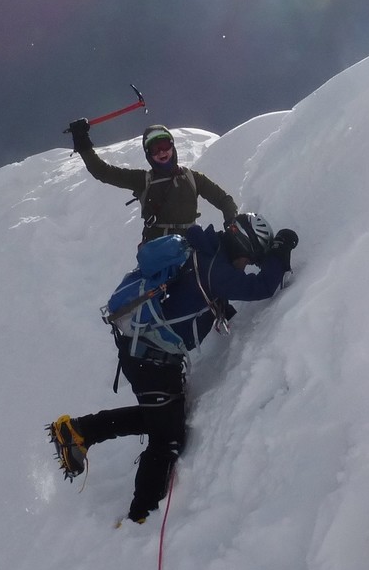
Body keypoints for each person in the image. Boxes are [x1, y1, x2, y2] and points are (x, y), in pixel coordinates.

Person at [48, 213, 299, 525]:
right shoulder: (215, 269)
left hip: (142, 351)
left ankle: (80, 431)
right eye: (248, 257)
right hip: (151, 359)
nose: (245, 264)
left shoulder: (203, 253)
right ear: (242, 245)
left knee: (162, 418)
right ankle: (141, 516)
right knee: (167, 438)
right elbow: (262, 286)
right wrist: (282, 248)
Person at [67, 118, 238, 243]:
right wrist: (82, 142)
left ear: (173, 146)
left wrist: (232, 223)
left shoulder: (193, 178)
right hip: (158, 250)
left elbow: (224, 200)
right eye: (155, 149)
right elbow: (102, 172)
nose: (161, 152)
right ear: (148, 155)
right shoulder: (143, 180)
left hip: (190, 245)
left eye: (165, 145)